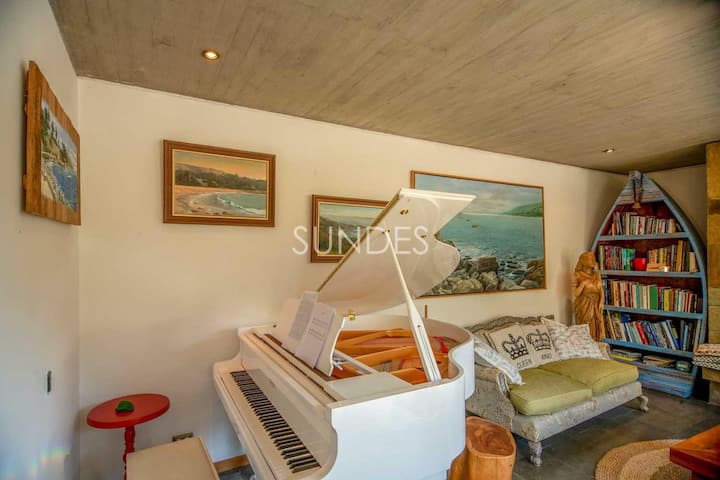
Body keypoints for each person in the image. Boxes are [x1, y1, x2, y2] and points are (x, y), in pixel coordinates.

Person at [573, 252, 605, 340]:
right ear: (583, 261)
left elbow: (601, 290)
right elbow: (576, 294)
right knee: (585, 327)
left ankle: (595, 343)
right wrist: (583, 284)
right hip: (584, 305)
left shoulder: (597, 275)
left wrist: (601, 302)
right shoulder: (577, 275)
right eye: (590, 259)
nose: (593, 260)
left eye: (593, 258)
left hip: (596, 305)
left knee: (596, 327)